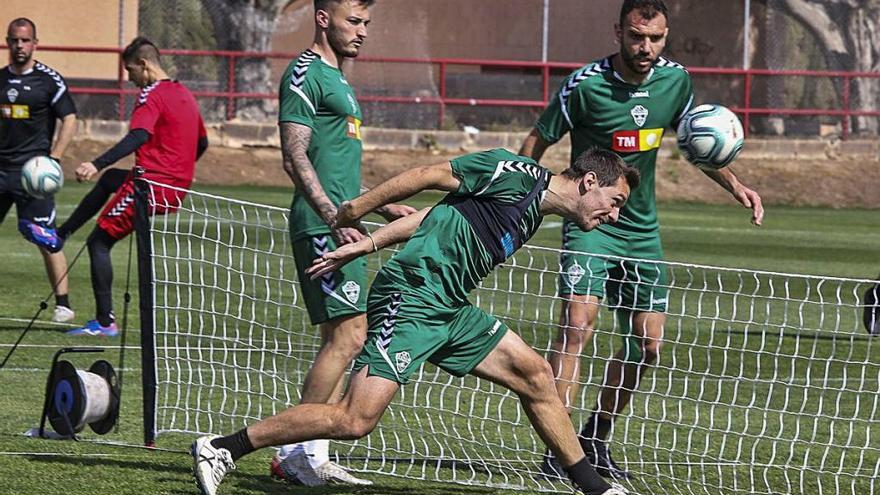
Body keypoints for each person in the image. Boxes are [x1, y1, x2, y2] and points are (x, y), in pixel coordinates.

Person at [192, 147, 638, 495]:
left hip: (448, 308)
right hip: (411, 297)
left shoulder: (530, 213)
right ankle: (223, 448)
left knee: (537, 375)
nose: (614, 215)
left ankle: (594, 487)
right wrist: (357, 210)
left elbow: (433, 217)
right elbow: (429, 175)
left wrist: (368, 245)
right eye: (614, 201)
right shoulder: (515, 173)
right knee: (354, 420)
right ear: (589, 181)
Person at [519, 0, 765, 481]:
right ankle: (560, 448)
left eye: (654, 38)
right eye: (636, 36)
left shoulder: (676, 81)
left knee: (647, 345)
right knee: (577, 326)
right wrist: (531, 198)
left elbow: (700, 141)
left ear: (666, 36)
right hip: (590, 224)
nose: (645, 47)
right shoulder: (585, 86)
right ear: (619, 32)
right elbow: (535, 143)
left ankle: (595, 438)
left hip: (641, 230)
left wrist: (737, 186)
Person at [271, 0, 414, 485]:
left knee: (340, 339)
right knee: (351, 336)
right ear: (323, 18)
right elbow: (294, 154)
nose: (362, 32)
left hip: (343, 223)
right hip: (321, 227)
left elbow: (336, 166)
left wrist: (380, 205)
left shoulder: (340, 79)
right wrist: (333, 217)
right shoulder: (304, 73)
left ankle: (306, 451)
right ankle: (296, 451)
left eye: (367, 23)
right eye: (354, 21)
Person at [66, 37, 207, 337]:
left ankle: (105, 322)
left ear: (144, 65)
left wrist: (95, 162)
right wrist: (178, 168)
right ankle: (61, 235)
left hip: (149, 187)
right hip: (174, 188)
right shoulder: (183, 92)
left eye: (130, 71)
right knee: (111, 181)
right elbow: (202, 142)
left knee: (98, 243)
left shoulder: (151, 95)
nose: (129, 79)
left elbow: (138, 136)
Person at [0, 17, 78, 323]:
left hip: (33, 174)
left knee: (45, 238)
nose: (20, 46)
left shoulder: (49, 81)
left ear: (35, 43)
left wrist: (54, 158)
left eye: (25, 40)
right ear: (8, 42)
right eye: (14, 40)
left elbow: (70, 119)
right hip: (1, 170)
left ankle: (63, 304)